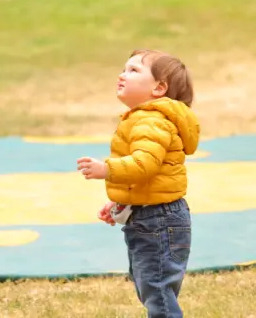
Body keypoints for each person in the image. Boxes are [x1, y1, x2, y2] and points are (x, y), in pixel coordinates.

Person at [76, 49, 200, 318]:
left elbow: (145, 164)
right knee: (150, 284)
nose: (122, 74)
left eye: (134, 70)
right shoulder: (146, 118)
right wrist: (122, 202)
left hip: (158, 220)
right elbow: (150, 177)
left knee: (156, 288)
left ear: (159, 88)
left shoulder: (151, 120)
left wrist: (106, 169)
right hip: (153, 216)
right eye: (124, 68)